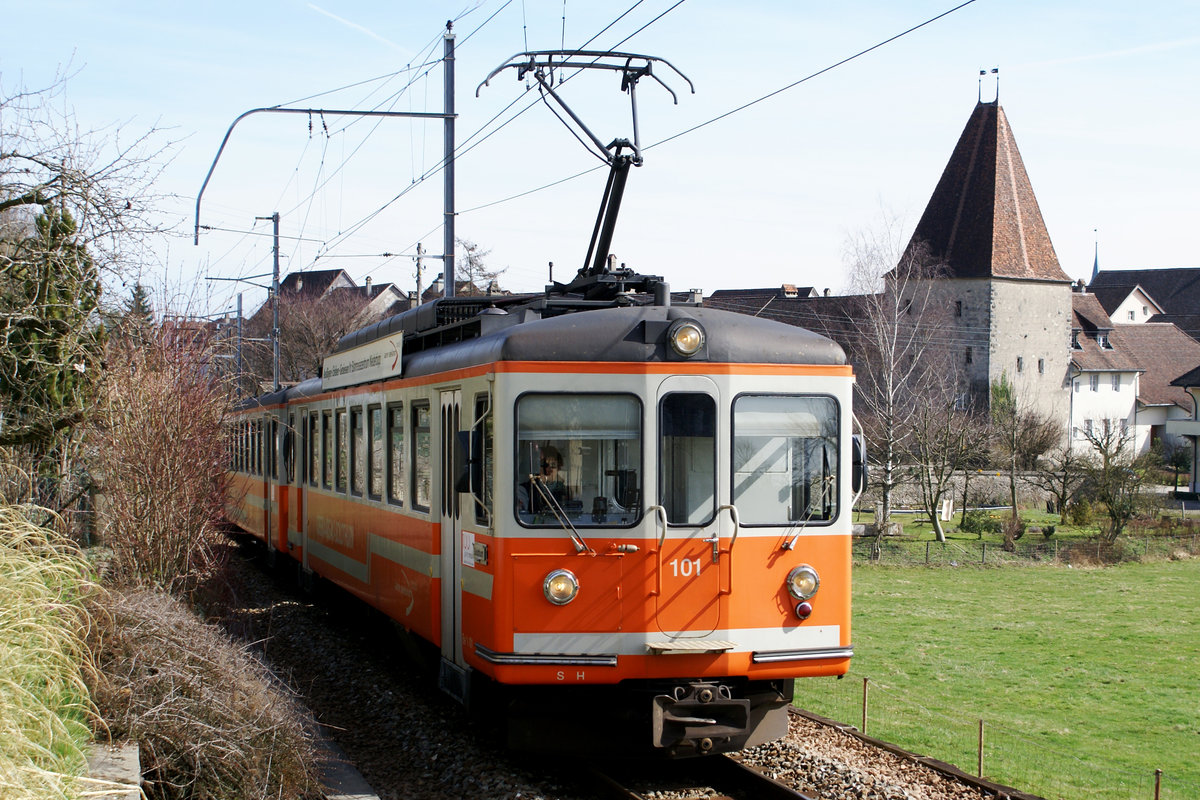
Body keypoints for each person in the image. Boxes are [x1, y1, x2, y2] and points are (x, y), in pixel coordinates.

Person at [517, 445, 566, 513]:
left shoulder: (565, 491)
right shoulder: (524, 490)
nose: (549, 470)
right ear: (537, 468)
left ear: (559, 468)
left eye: (553, 465)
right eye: (544, 465)